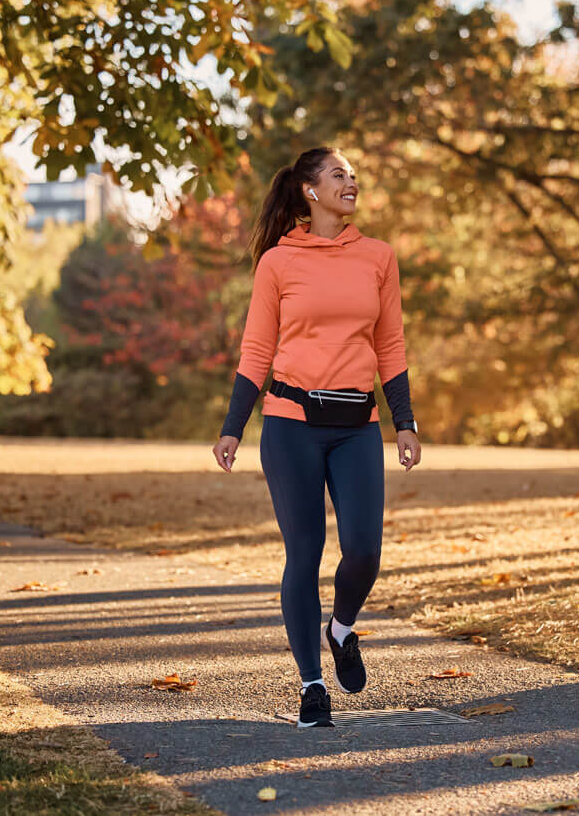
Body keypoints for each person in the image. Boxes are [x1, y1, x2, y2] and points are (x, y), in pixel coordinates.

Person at [212, 146, 421, 728]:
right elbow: (257, 350)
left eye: (353, 174)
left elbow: (390, 348)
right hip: (290, 425)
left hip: (358, 429)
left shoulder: (378, 258)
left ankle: (342, 627)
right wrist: (233, 426)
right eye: (338, 174)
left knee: (364, 551)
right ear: (309, 190)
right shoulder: (278, 263)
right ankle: (311, 686)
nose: (350, 182)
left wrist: (403, 421)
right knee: (302, 555)